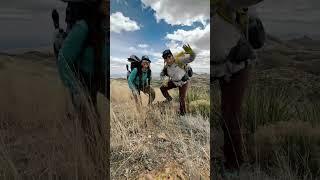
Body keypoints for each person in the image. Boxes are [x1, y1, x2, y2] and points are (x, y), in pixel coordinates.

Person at [212, 0, 264, 178]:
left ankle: (235, 165)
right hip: (217, 67)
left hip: (238, 66)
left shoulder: (229, 3)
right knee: (226, 113)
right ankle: (231, 158)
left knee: (230, 115)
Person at [55, 0, 107, 172]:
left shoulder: (107, 27)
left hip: (100, 78)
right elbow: (64, 60)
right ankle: (96, 167)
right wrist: (77, 91)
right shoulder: (84, 27)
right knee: (91, 130)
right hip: (83, 83)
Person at [160, 44, 196, 116]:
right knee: (162, 88)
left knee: (181, 98)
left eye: (169, 56)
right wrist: (163, 79)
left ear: (172, 56)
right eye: (165, 58)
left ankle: (183, 114)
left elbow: (191, 58)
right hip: (174, 82)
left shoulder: (180, 60)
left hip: (183, 82)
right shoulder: (166, 67)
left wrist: (190, 51)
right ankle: (169, 99)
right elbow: (161, 74)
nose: (167, 59)